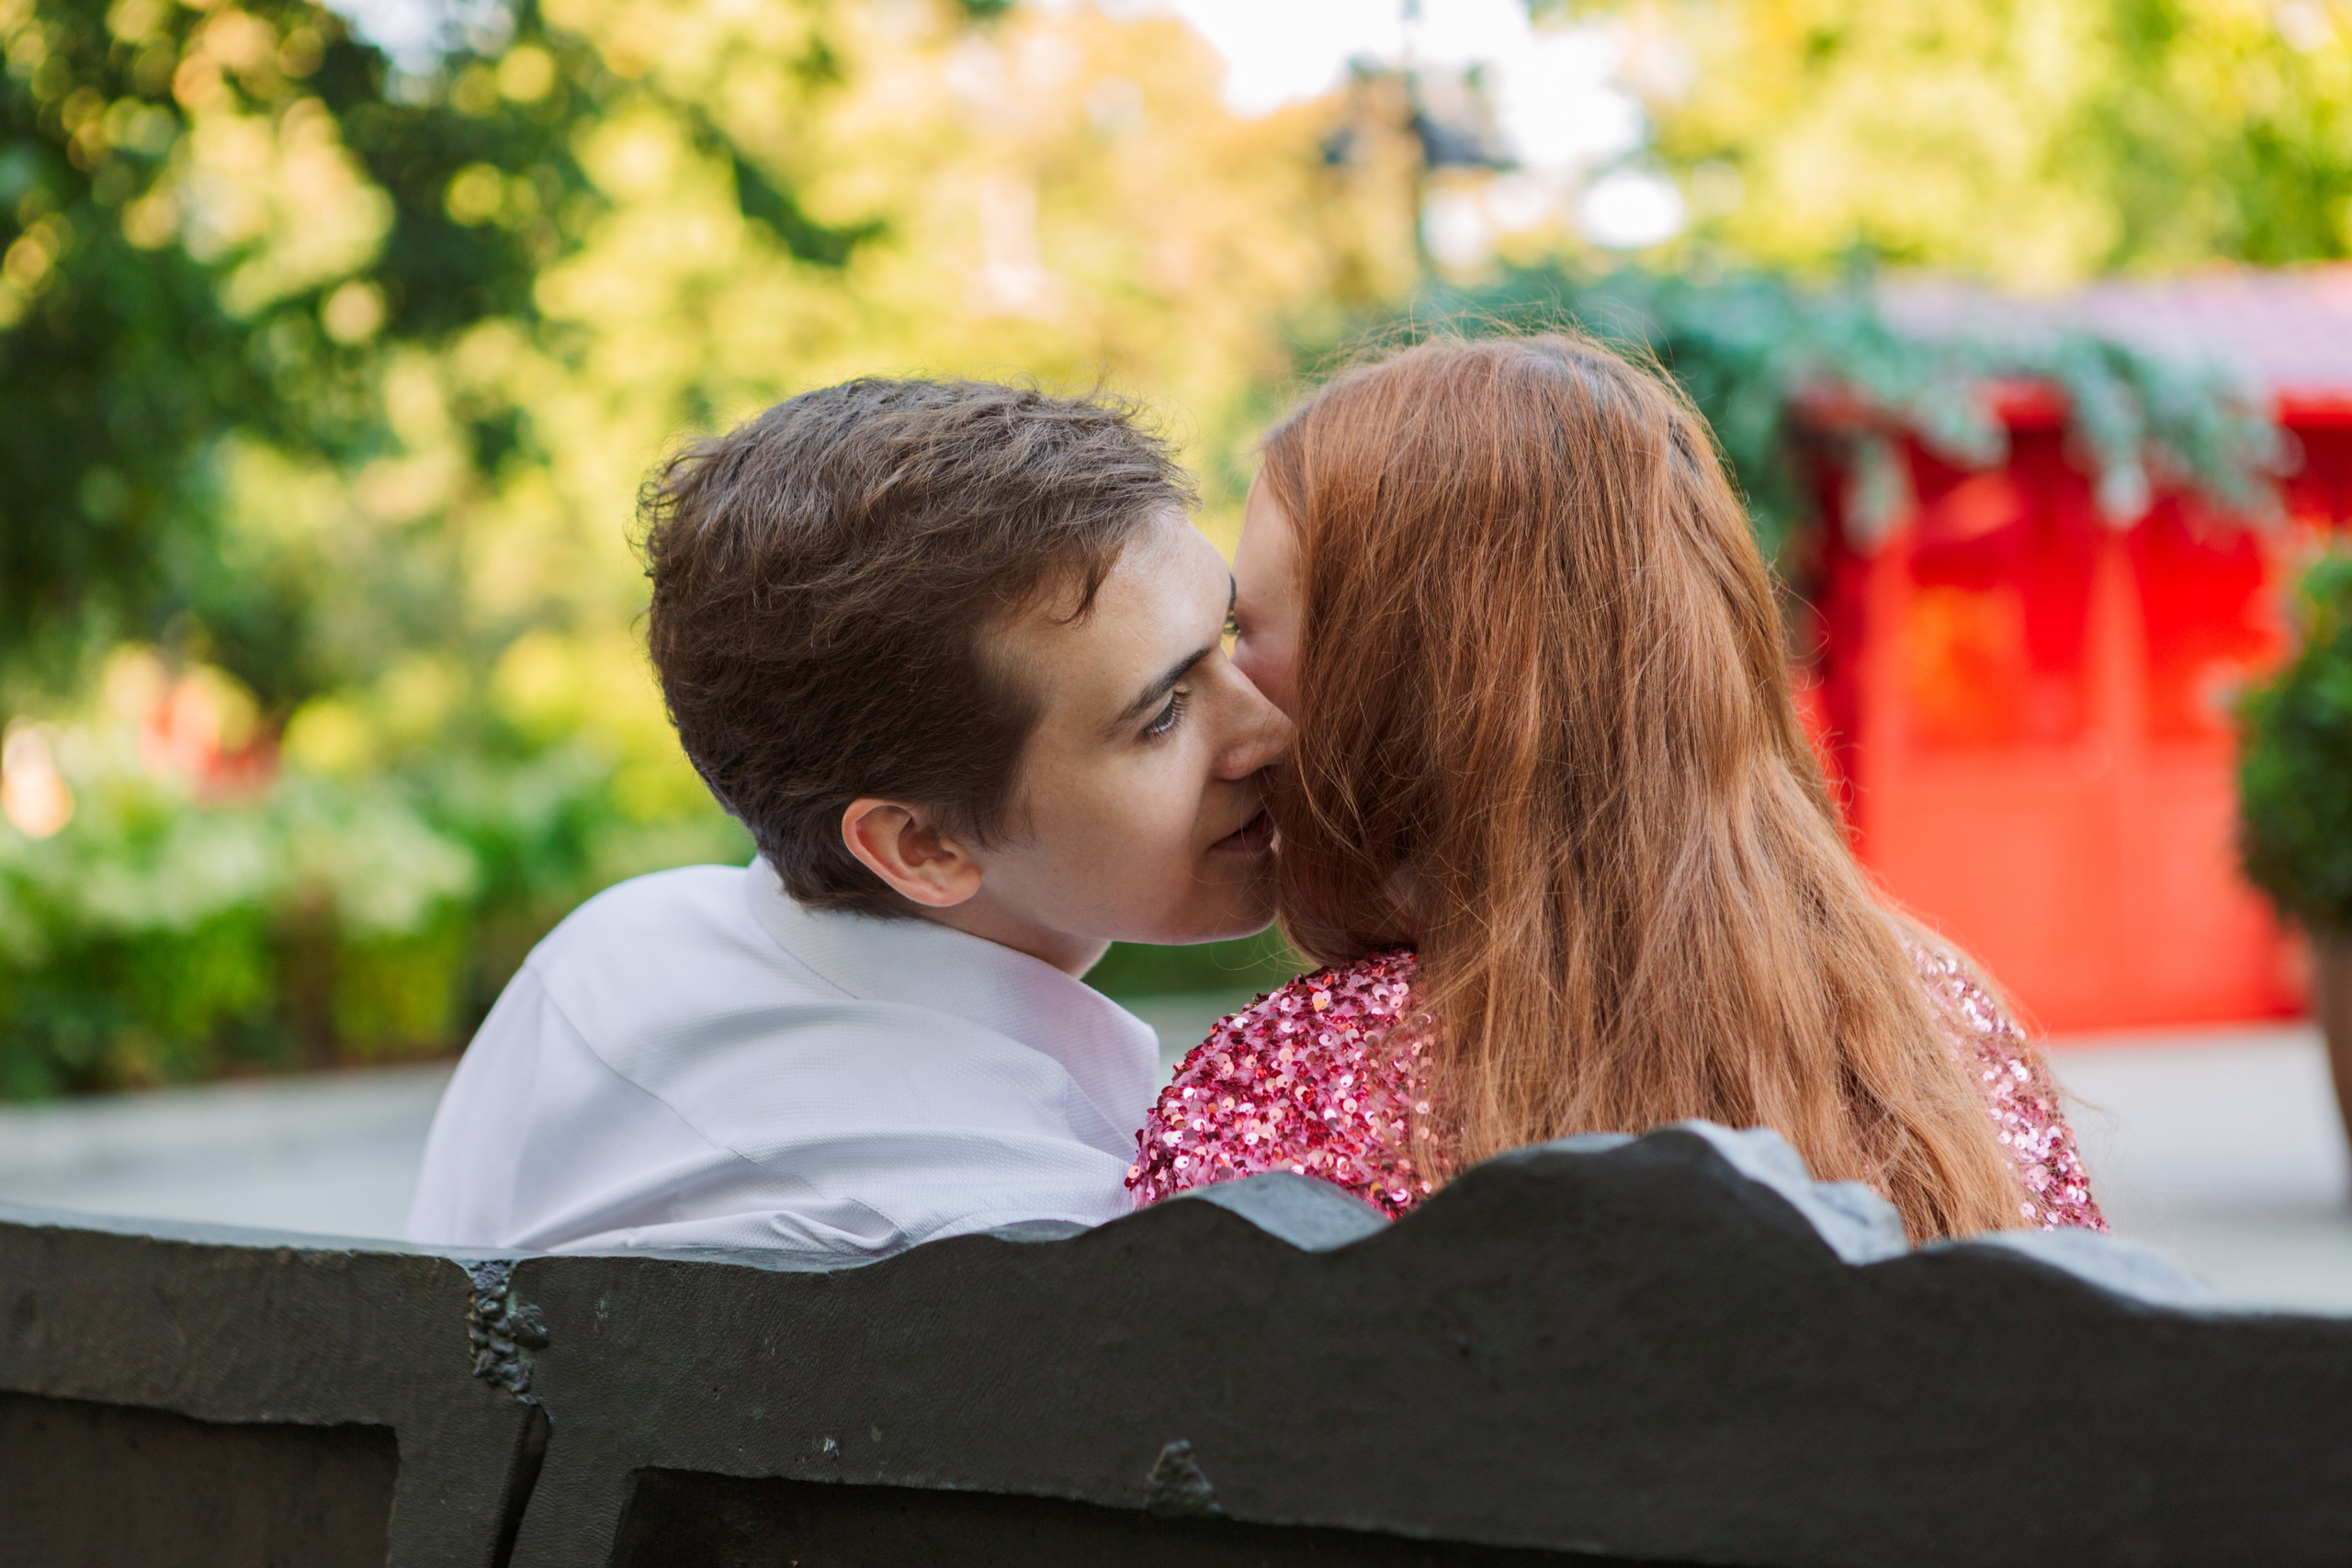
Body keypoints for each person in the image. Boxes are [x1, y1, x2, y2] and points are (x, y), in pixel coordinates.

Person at [1130, 334, 2102, 1241]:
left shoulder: (1286, 1090)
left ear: (1395, 678)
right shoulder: (1932, 1031)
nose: (1231, 703)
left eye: (1243, 631)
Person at [409, 378, 1286, 1256]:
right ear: (922, 846)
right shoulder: (1036, 1223)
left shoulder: (604, 954)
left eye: (1226, 633)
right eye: (1162, 712)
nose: (1270, 728)